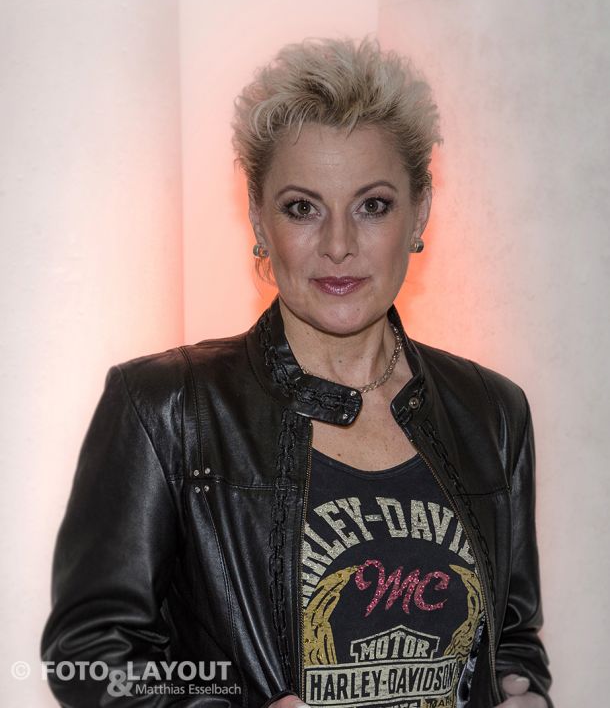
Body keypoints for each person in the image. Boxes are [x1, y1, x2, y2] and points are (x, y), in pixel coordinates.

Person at [40, 36, 553, 708]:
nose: (338, 245)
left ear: (420, 211)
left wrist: (524, 692)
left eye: (373, 205)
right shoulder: (166, 407)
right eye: (302, 207)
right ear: (258, 217)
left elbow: (511, 638)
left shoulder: (492, 411)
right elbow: (89, 658)